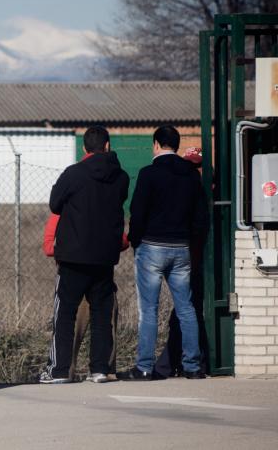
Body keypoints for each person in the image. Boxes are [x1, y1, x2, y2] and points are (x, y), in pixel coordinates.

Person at [118, 126, 210, 381]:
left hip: (151, 247)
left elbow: (138, 212)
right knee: (187, 308)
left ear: (156, 144)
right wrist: (192, 246)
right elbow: (200, 217)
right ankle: (192, 367)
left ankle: (145, 367)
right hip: (181, 248)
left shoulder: (148, 174)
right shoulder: (191, 176)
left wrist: (137, 242)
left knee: (149, 310)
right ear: (177, 146)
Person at [40, 126, 129, 385]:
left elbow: (55, 204)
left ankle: (59, 370)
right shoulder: (121, 177)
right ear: (108, 146)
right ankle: (100, 369)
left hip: (73, 255)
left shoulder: (73, 174)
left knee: (64, 312)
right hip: (104, 257)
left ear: (84, 148)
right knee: (102, 314)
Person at [153, 148, 211, 377]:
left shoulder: (189, 191)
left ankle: (172, 364)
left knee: (185, 312)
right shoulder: (194, 191)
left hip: (193, 259)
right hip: (189, 258)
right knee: (185, 311)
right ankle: (180, 363)